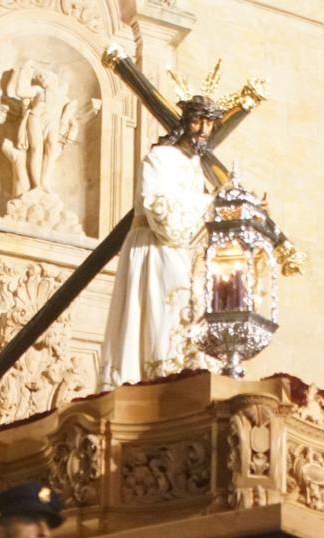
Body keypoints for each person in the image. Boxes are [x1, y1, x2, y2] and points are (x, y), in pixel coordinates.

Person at [100, 94, 219, 385]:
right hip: (155, 248)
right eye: (196, 121)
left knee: (188, 312)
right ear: (184, 121)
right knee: (159, 313)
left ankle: (184, 375)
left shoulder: (196, 167)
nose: (202, 130)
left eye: (210, 124)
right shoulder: (159, 157)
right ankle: (155, 378)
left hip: (186, 254)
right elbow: (160, 211)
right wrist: (212, 202)